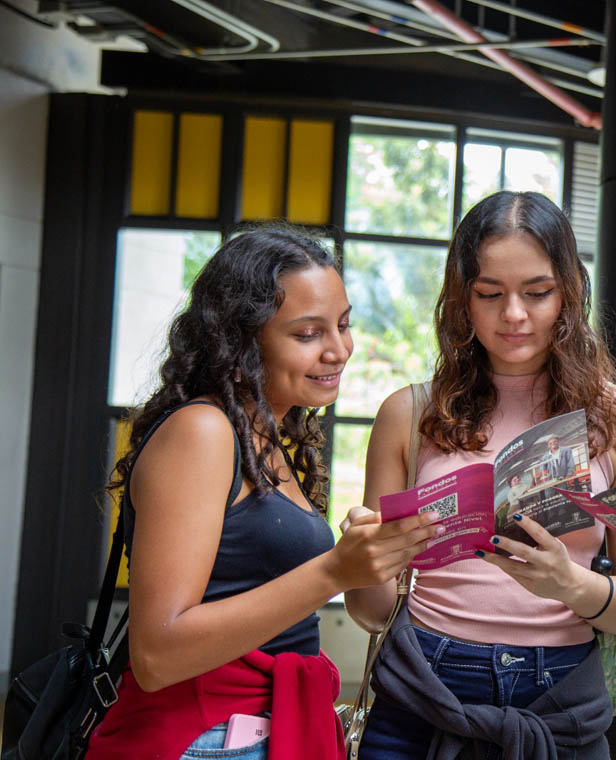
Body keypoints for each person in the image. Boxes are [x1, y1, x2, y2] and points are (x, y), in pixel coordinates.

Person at [85, 227, 440, 760]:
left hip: (255, 733)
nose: (338, 349)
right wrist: (334, 572)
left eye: (343, 325)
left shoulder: (267, 436)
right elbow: (158, 653)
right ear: (242, 340)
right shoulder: (203, 431)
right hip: (202, 740)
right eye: (307, 334)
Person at [342, 190, 616, 760]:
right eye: (489, 294)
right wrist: (363, 557)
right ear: (461, 302)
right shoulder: (409, 413)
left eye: (537, 293)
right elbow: (370, 612)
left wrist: (571, 584)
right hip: (425, 688)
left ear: (568, 294)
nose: (514, 315)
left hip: (560, 697)